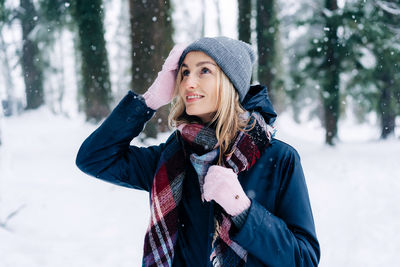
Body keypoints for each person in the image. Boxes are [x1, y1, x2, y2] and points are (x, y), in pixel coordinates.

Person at [76, 36, 320, 267]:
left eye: (204, 70)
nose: (188, 83)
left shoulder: (279, 158)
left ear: (230, 82)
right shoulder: (172, 158)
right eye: (184, 73)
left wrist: (243, 209)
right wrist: (150, 99)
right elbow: (95, 158)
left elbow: (304, 259)